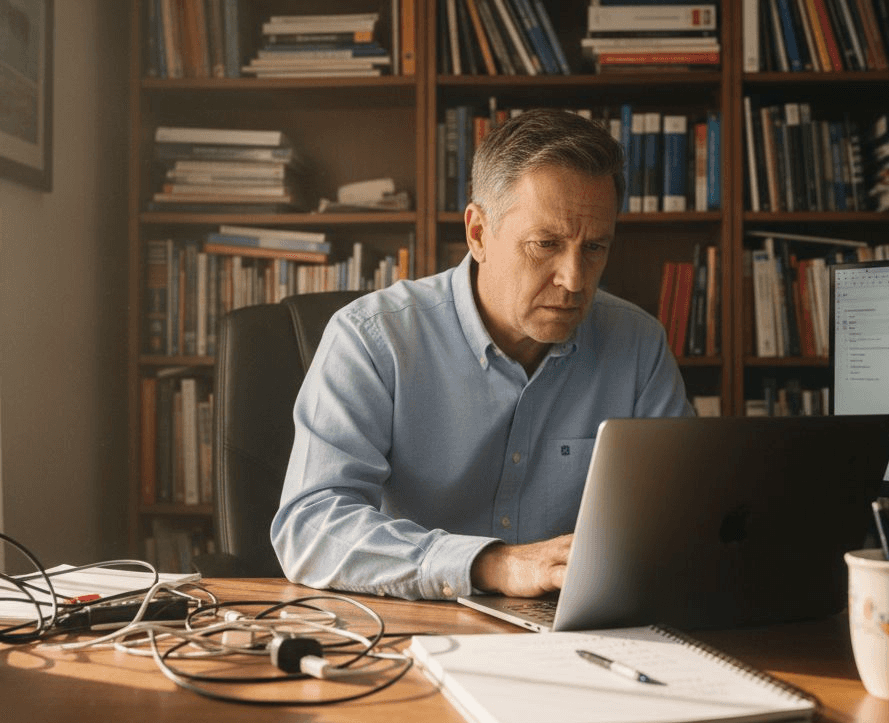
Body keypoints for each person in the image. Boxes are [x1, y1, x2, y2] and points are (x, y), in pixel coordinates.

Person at [271, 108, 694, 602]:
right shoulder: (372, 338)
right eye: (546, 244)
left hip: (572, 627)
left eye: (595, 247)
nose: (574, 279)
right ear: (477, 234)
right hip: (415, 621)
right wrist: (492, 564)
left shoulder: (638, 345)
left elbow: (681, 518)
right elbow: (310, 527)